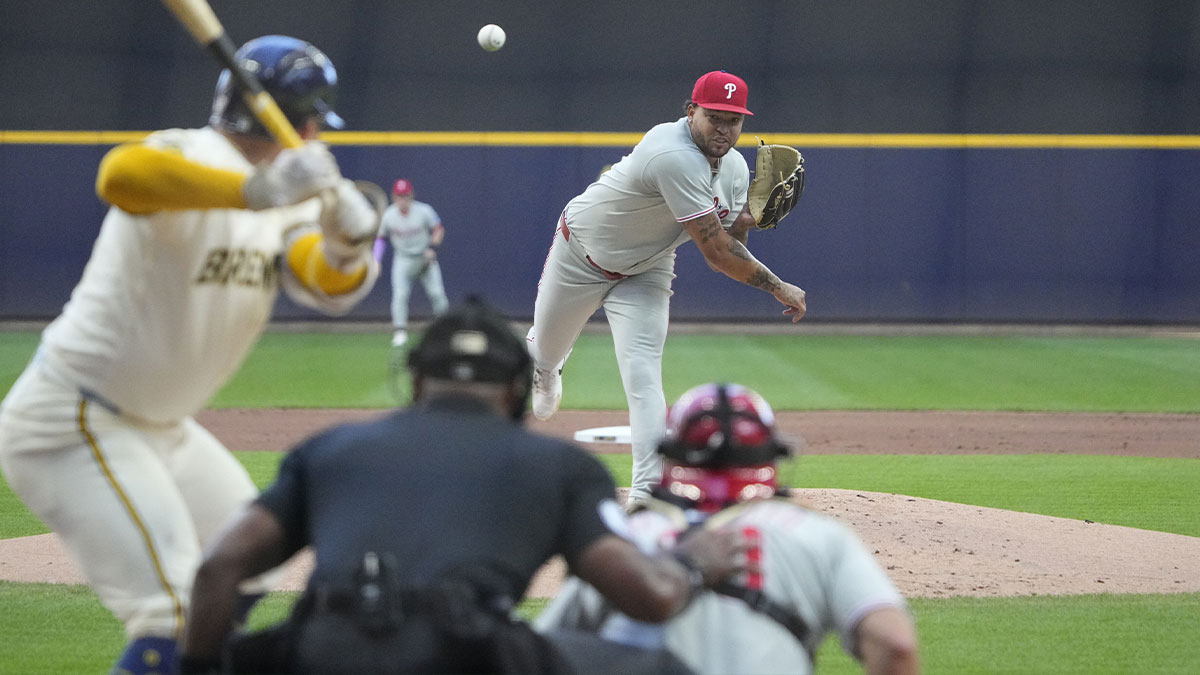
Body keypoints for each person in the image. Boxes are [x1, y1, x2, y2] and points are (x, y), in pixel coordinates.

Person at [0, 35, 381, 675]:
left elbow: (319, 280)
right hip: (76, 417)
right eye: (314, 119)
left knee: (250, 557)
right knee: (173, 612)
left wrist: (345, 246)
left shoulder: (286, 195)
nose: (315, 133)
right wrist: (259, 191)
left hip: (162, 428)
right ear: (302, 119)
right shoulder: (186, 155)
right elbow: (120, 177)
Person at [180, 297, 749, 674]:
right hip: (464, 655)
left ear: (418, 380)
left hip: (322, 649)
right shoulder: (559, 466)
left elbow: (216, 570)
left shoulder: (329, 449)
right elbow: (649, 597)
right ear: (513, 391)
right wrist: (693, 562)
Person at [525, 70, 808, 509]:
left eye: (734, 120)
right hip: (581, 256)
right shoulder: (670, 152)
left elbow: (730, 241)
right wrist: (778, 286)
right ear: (691, 111)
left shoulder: (734, 166)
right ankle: (546, 367)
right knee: (545, 353)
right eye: (714, 116)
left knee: (643, 374)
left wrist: (751, 216)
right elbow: (717, 254)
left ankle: (646, 493)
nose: (724, 129)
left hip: (648, 268)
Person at [535, 382, 920, 675]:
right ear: (772, 456)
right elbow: (896, 645)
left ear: (671, 455)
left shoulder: (623, 541)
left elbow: (539, 652)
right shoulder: (818, 534)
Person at [375, 178, 449, 347]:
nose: (403, 199)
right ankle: (400, 332)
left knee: (437, 294)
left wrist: (432, 247)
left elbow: (438, 229)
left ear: (412, 195)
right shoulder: (389, 215)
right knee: (400, 295)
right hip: (403, 259)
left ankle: (446, 330)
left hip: (424, 257)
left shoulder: (423, 211)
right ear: (394, 197)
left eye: (406, 195)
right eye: (400, 196)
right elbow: (381, 239)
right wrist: (377, 260)